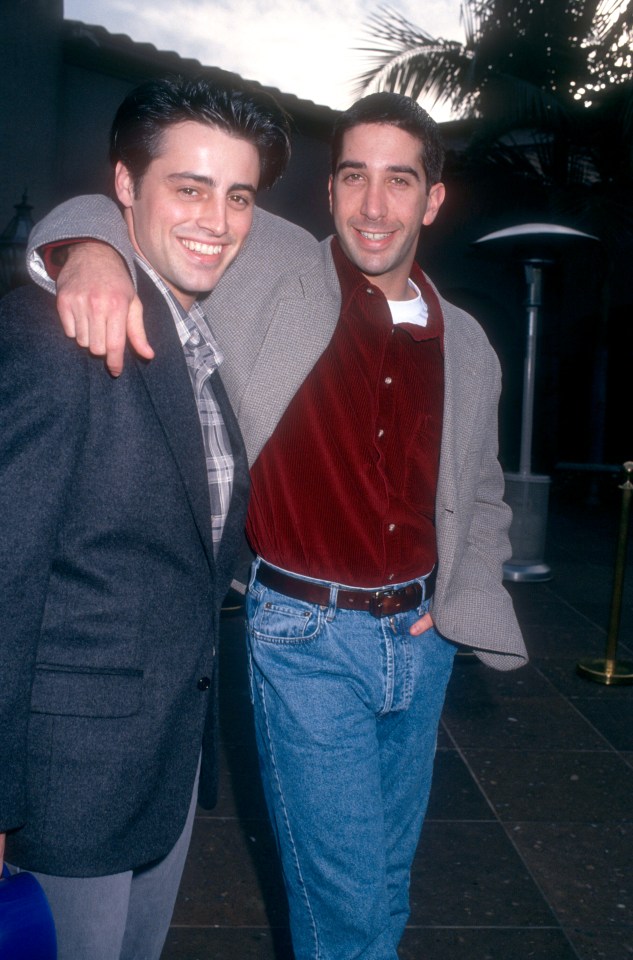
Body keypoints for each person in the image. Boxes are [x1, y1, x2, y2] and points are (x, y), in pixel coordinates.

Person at [27, 92, 527, 960]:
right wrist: (88, 256)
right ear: (329, 192)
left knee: (385, 879)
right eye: (353, 178)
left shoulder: (470, 342)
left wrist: (461, 594)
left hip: (420, 638)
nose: (374, 206)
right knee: (340, 897)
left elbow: (482, 491)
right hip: (305, 632)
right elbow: (122, 205)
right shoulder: (271, 265)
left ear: (431, 201)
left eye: (399, 182)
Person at [0, 74, 295, 960]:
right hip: (62, 782)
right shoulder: (59, 335)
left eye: (237, 195)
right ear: (123, 188)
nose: (217, 219)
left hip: (160, 759)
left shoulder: (189, 332)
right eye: (189, 187)